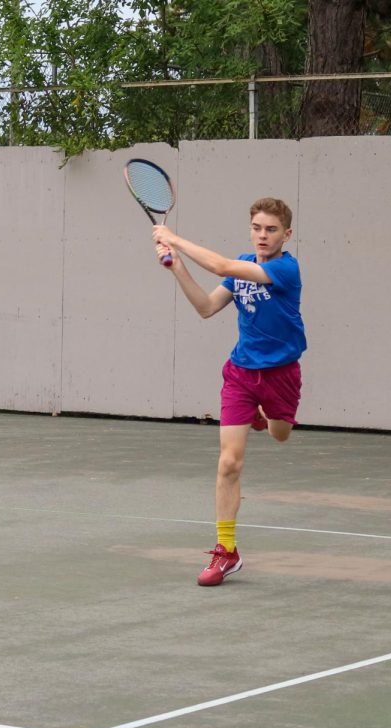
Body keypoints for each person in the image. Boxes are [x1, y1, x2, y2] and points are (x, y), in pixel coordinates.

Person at [152, 198, 306, 586]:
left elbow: (221, 265)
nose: (262, 235)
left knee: (280, 434)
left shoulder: (286, 269)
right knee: (229, 463)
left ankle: (266, 416)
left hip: (281, 376)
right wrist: (177, 267)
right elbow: (206, 307)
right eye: (256, 227)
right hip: (240, 373)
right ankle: (226, 552)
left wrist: (175, 238)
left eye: (271, 229)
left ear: (286, 234)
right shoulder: (241, 267)